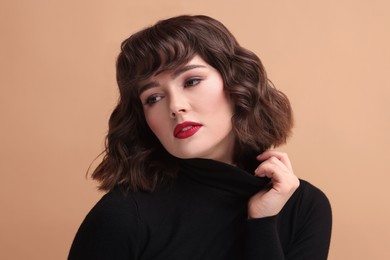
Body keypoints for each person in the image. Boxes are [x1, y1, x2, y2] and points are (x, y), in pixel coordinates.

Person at [68, 15, 332, 259]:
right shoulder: (123, 215)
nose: (175, 106)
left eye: (191, 81)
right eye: (153, 98)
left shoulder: (304, 206)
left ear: (236, 83)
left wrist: (262, 223)